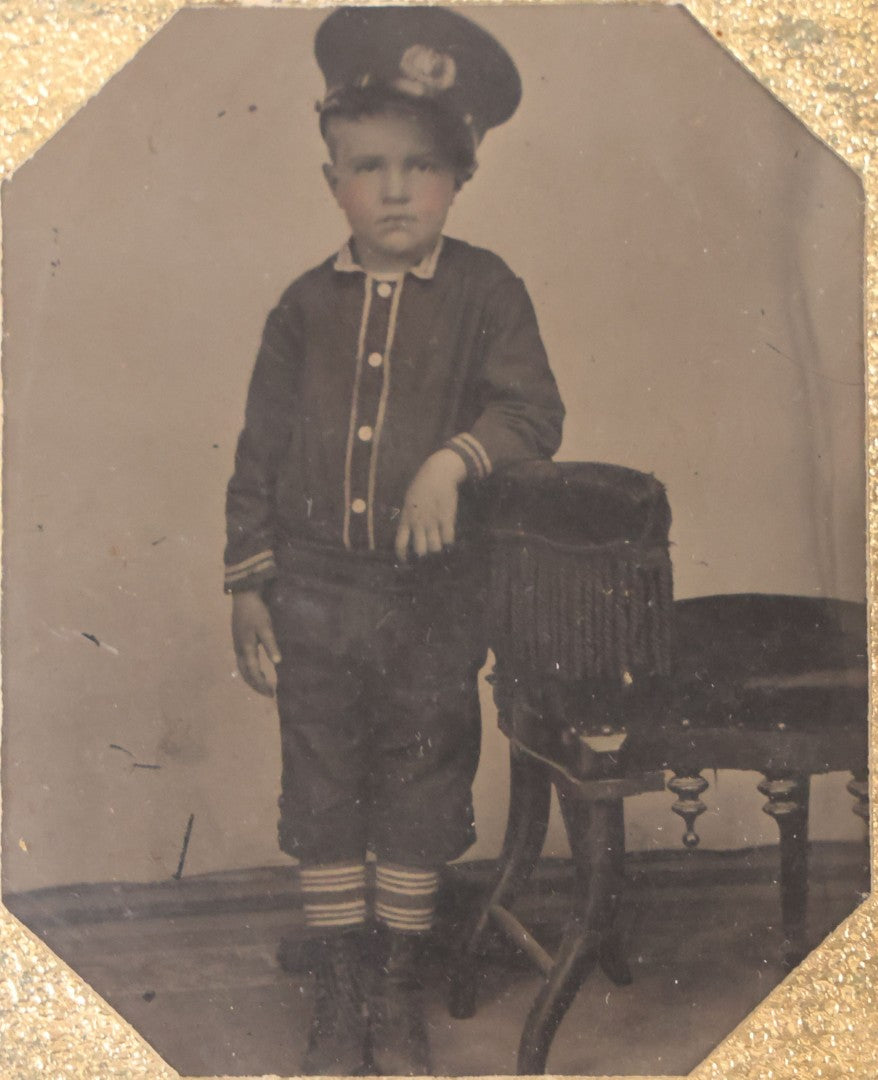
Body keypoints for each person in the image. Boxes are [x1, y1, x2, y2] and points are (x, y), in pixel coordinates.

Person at [224, 6, 564, 1074]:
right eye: (367, 166)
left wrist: (451, 458)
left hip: (430, 600)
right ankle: (338, 990)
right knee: (324, 786)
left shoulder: (485, 290)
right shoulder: (299, 308)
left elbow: (531, 416)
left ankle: (392, 985)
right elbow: (258, 456)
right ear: (332, 179)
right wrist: (247, 584)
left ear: (458, 176)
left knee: (420, 784)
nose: (395, 189)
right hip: (314, 594)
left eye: (421, 166)